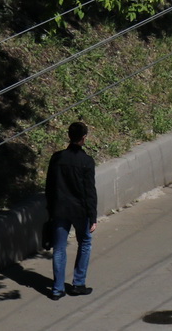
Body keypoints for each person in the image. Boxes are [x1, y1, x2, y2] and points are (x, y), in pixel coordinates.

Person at [45, 121, 97, 300]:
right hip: (80, 211)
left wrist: (50, 209)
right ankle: (78, 284)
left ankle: (57, 289)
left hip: (60, 209)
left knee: (59, 248)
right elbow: (90, 191)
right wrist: (93, 216)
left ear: (69, 135)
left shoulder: (57, 158)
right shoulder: (86, 161)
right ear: (83, 138)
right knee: (85, 243)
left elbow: (50, 187)